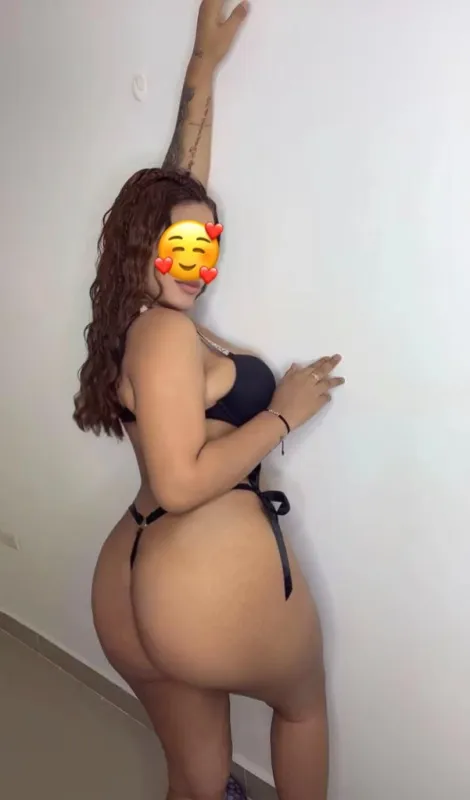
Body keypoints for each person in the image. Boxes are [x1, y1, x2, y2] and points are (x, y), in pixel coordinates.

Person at [73, 2, 344, 799]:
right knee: (302, 709)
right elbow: (183, 479)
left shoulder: (138, 316)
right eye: (183, 248)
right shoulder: (162, 333)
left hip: (132, 582)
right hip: (192, 587)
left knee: (196, 780)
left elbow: (174, 191)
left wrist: (202, 68)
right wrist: (284, 411)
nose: (199, 264)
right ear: (145, 249)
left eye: (207, 247)